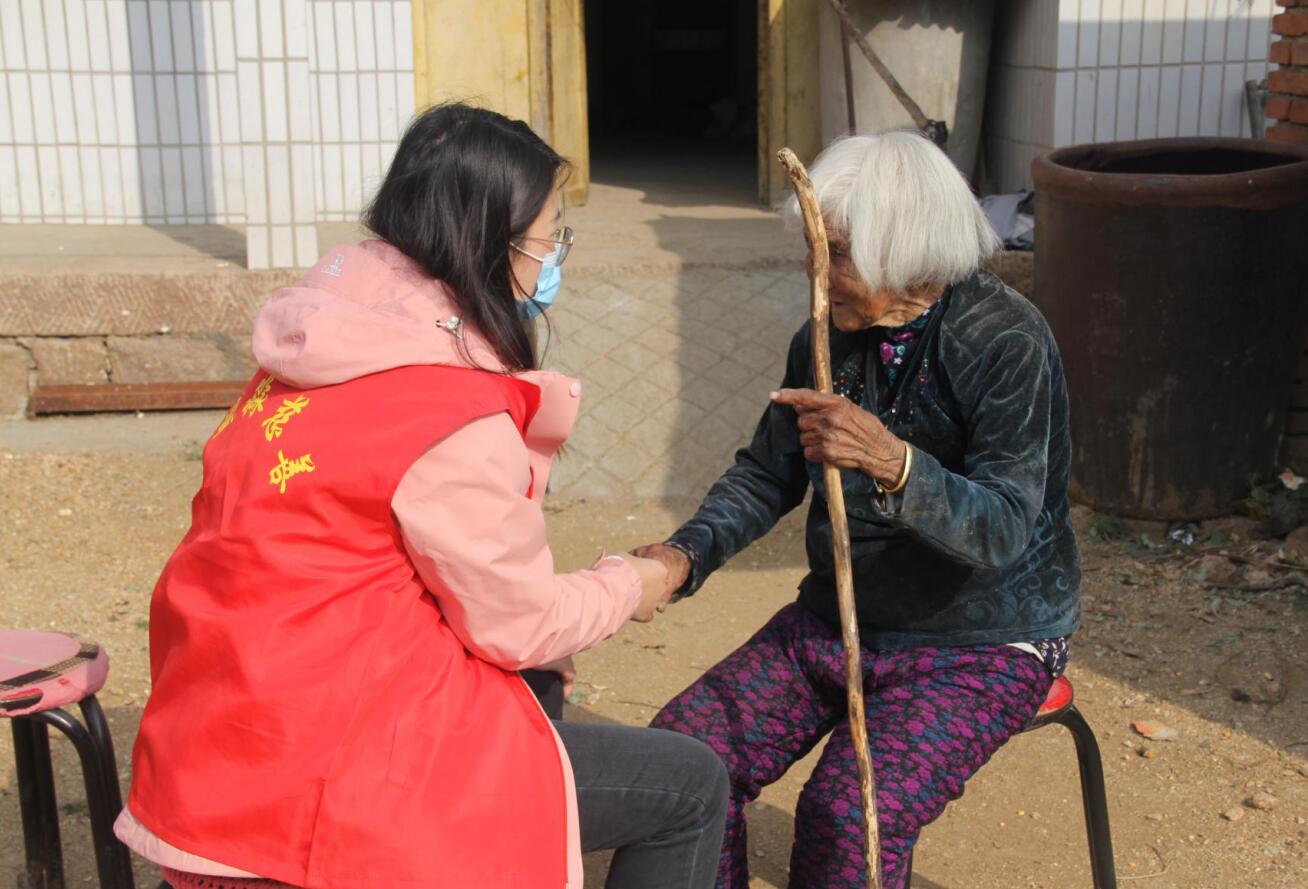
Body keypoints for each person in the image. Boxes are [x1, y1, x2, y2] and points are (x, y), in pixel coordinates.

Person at [114, 103, 728, 889]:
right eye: (551, 236)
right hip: (310, 809)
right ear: (492, 245)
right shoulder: (447, 409)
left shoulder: (309, 355)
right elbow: (521, 622)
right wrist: (630, 583)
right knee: (689, 787)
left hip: (208, 763)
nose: (555, 257)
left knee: (539, 684)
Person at [633, 131, 1080, 889]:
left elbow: (1005, 527)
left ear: (904, 252)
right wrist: (684, 556)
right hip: (838, 619)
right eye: (814, 248)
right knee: (685, 760)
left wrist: (893, 462)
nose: (816, 271)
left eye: (836, 252)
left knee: (847, 813)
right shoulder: (822, 339)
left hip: (981, 640)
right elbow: (767, 473)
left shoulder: (1006, 341)